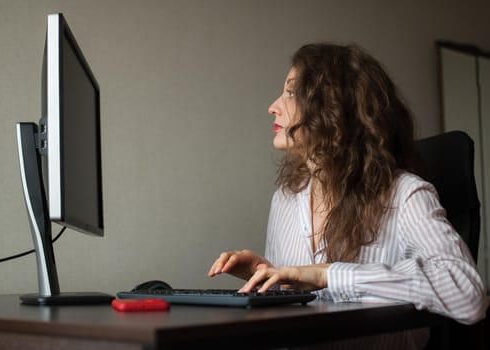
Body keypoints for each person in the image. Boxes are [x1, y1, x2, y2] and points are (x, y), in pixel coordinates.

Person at [208, 43, 487, 347]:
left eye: (291, 93)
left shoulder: (405, 194)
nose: (273, 106)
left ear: (335, 107)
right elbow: (301, 316)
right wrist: (272, 279)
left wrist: (329, 275)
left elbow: (468, 296)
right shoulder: (286, 198)